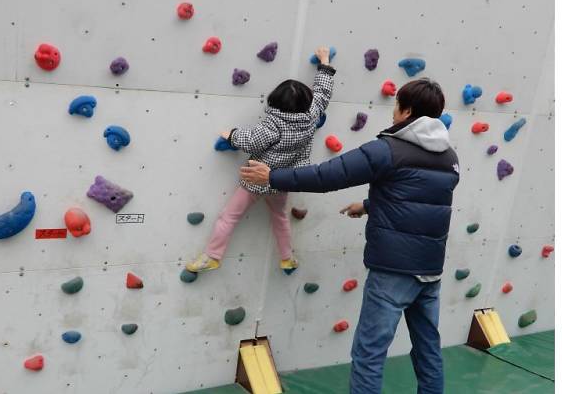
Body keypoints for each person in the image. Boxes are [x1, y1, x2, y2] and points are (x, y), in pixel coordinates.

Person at [240, 78, 459, 394]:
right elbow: (420, 196)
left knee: (369, 354)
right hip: (430, 271)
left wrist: (272, 175)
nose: (393, 112)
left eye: (397, 106)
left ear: (407, 111)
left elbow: (328, 176)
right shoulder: (449, 157)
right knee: (427, 350)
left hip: (393, 271)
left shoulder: (388, 150)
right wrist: (371, 205)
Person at [185, 46, 337, 274]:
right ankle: (287, 258)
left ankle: (212, 256)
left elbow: (252, 141)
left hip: (256, 180)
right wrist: (324, 61)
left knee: (228, 217)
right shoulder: (311, 115)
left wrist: (232, 134)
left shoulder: (273, 123)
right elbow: (323, 93)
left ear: (275, 101)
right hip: (283, 181)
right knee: (280, 218)